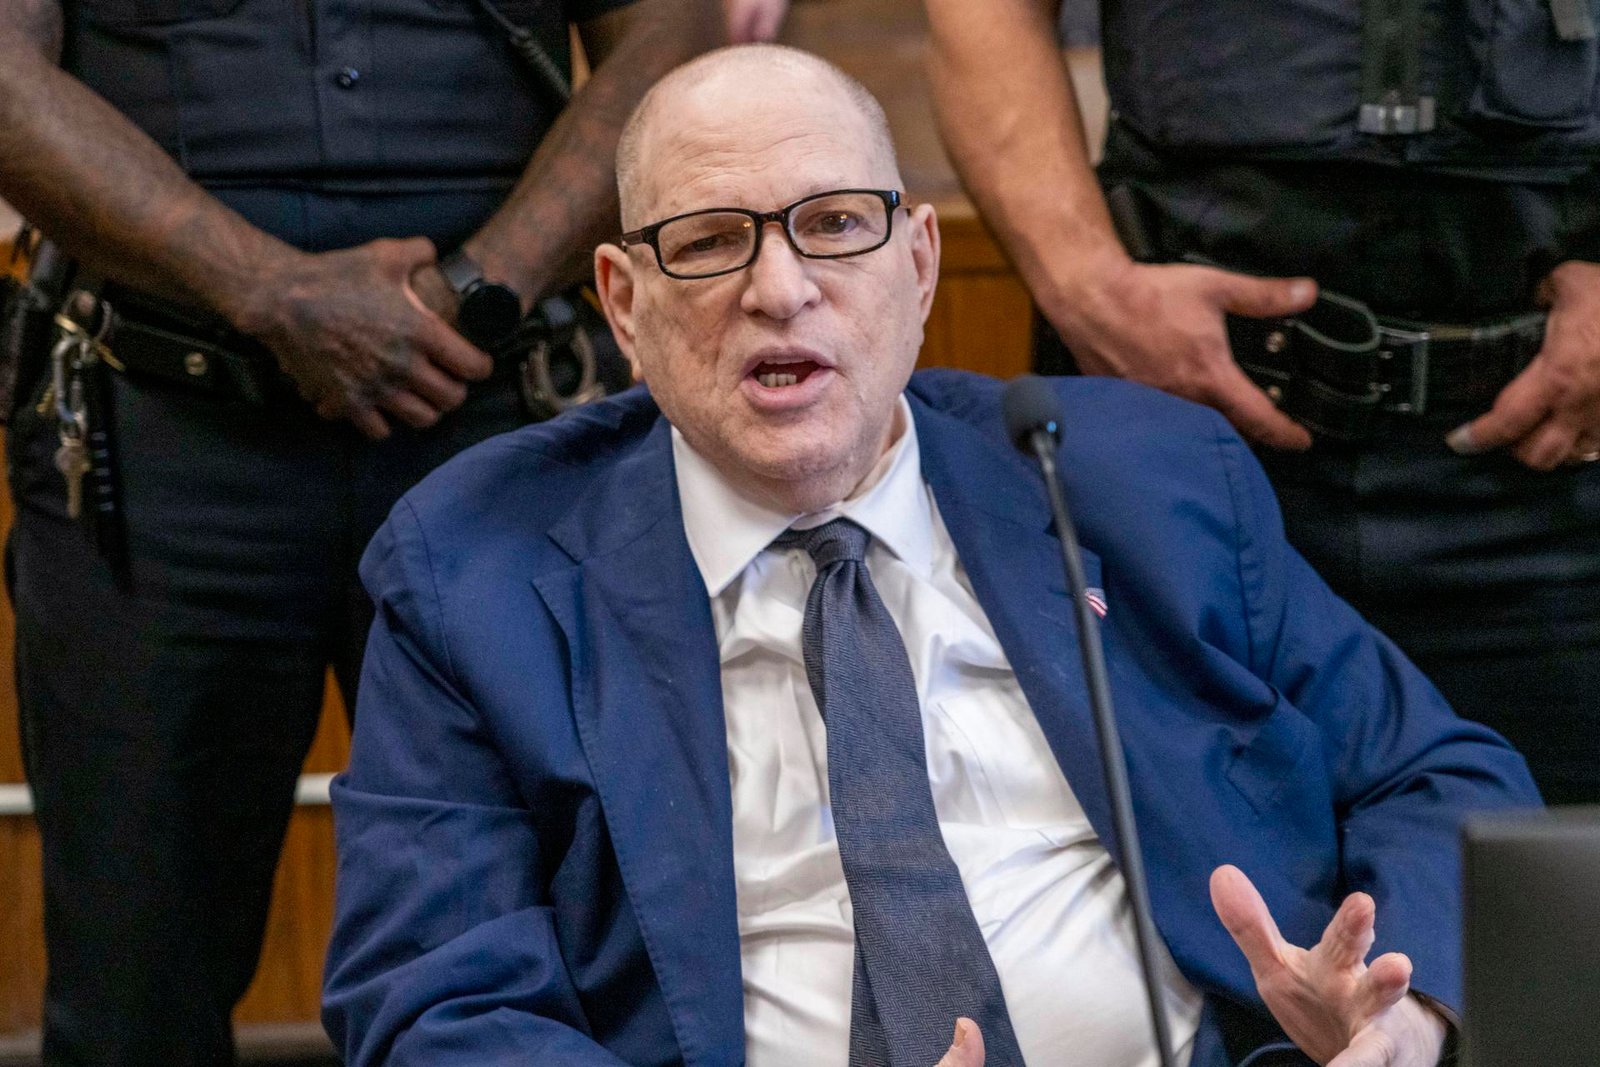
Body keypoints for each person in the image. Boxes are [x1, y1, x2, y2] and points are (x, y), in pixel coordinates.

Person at [324, 44, 1537, 1067]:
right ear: (624, 304)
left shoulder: (1138, 480)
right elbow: (436, 1002)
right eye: (710, 241)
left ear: (916, 264)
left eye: (833, 225)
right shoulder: (474, 571)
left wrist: (1396, 1015)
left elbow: (1436, 773)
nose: (780, 289)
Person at [0, 0, 719, 1061]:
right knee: (131, 987)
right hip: (159, 433)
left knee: (583, 954)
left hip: (502, 410)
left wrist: (476, 291)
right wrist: (269, 291)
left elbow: (670, 40)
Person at [923, 0, 1600, 805]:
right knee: (1170, 862)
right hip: (1176, 452)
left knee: (1550, 872)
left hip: (1553, 462)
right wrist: (1088, 287)